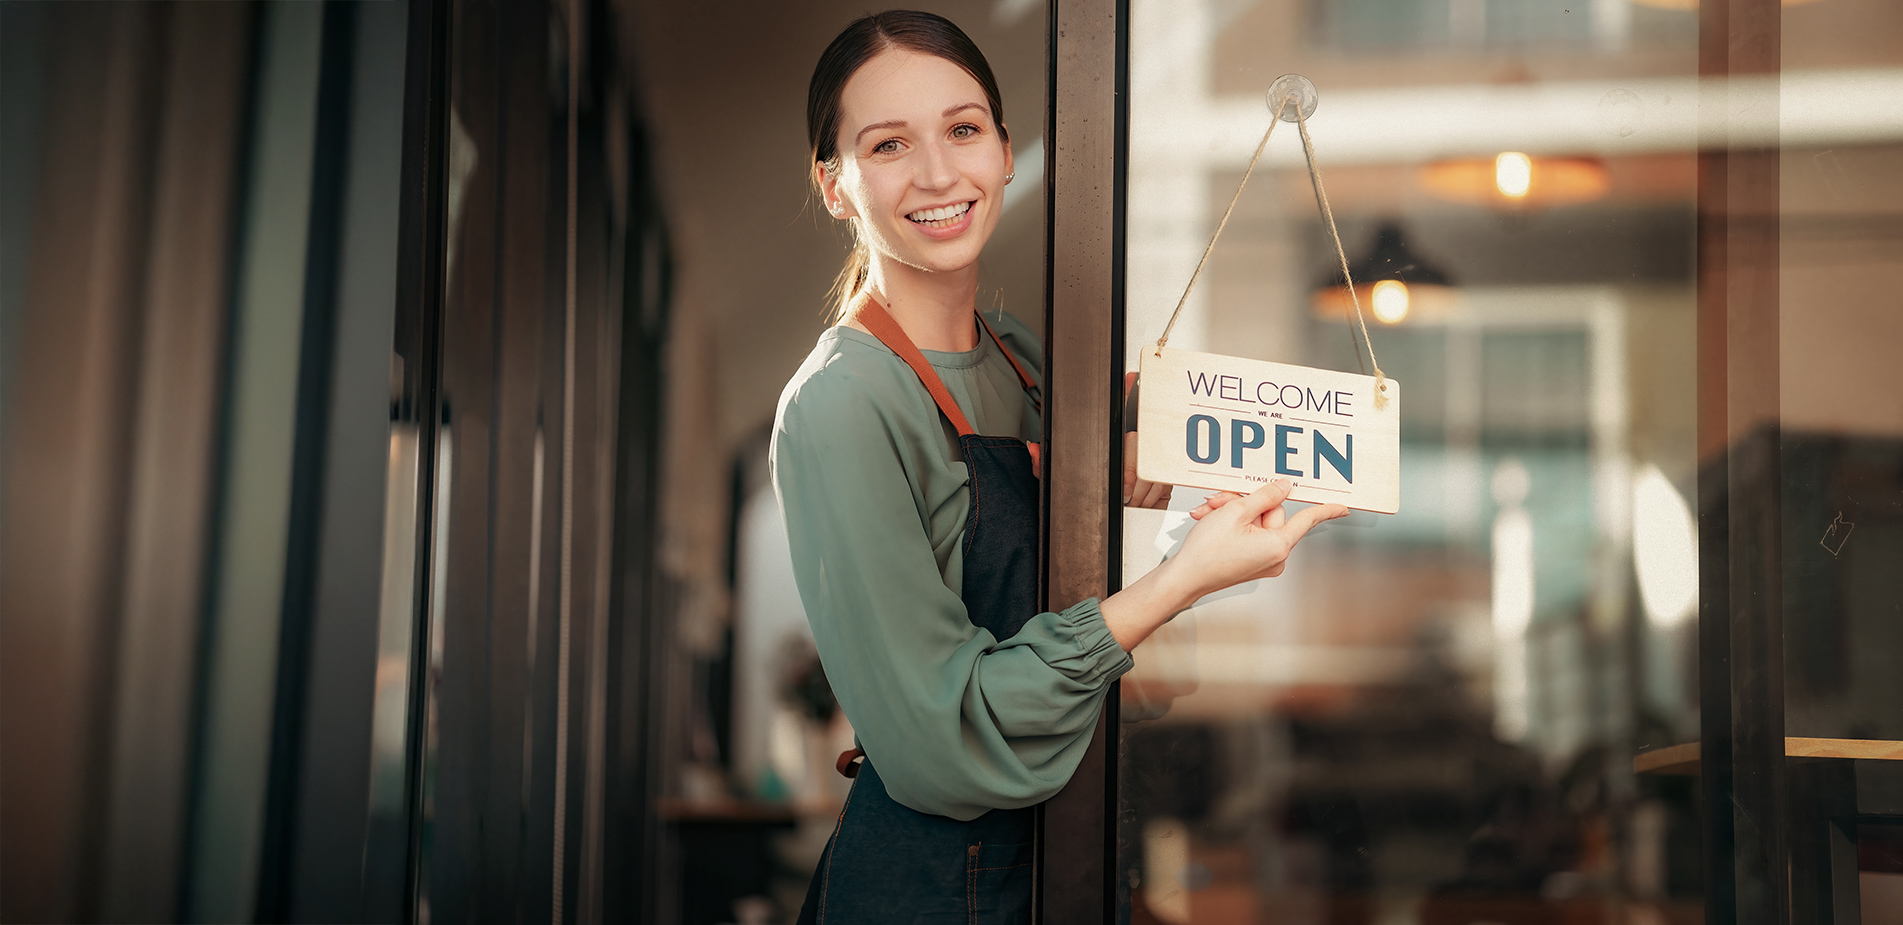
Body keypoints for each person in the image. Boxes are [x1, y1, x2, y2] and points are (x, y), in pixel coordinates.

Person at [771, 11, 1349, 922]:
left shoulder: (1024, 363)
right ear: (834, 185)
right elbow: (946, 730)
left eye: (962, 129)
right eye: (887, 144)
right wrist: (1181, 579)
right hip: (929, 888)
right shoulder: (842, 404)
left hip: (1065, 853)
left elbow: (1083, 605)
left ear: (1005, 151)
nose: (935, 172)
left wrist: (1280, 431)